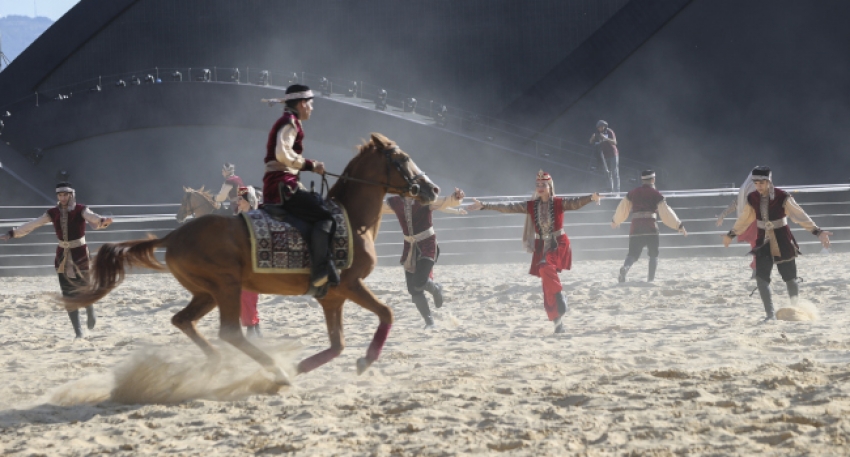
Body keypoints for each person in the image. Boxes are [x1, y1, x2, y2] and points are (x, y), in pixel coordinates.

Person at [468, 171, 600, 333]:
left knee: (545, 268)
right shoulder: (532, 206)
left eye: (543, 185)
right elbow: (509, 208)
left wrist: (591, 198)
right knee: (546, 285)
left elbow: (575, 203)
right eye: (537, 185)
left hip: (558, 244)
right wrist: (485, 206)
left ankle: (560, 295)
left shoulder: (558, 203)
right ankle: (558, 325)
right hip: (541, 245)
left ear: (550, 187)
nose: (540, 188)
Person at [0, 182, 113, 338]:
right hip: (62, 256)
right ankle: (78, 332)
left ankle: (90, 309)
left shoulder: (80, 209)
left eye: (65, 195)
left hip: (80, 254)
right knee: (67, 293)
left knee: (84, 287)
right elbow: (34, 224)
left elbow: (92, 217)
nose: (63, 197)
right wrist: (13, 233)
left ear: (71, 195)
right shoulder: (53, 213)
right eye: (60, 195)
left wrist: (102, 220)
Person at [723, 166, 832, 322]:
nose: (759, 186)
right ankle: (770, 315)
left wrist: (818, 232)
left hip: (782, 237)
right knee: (761, 278)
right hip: (762, 240)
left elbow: (799, 215)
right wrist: (731, 234)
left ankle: (795, 310)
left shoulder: (782, 196)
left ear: (769, 181)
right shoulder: (752, 197)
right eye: (756, 183)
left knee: (790, 278)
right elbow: (745, 219)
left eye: (762, 182)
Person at [261, 84, 337, 297]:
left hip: (280, 183)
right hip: (282, 186)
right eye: (311, 104)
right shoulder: (290, 123)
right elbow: (282, 154)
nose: (312, 109)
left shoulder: (288, 122)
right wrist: (311, 165)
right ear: (303, 104)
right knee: (326, 217)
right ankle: (320, 271)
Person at [382, 188, 466, 328]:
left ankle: (436, 289)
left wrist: (455, 197)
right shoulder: (395, 202)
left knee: (419, 281)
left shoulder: (424, 199)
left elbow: (443, 202)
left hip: (427, 244)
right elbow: (377, 207)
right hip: (409, 246)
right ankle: (430, 323)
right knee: (413, 289)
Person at [611, 170, 687, 283]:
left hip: (636, 227)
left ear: (642, 180)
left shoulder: (633, 193)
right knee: (653, 254)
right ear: (653, 180)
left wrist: (616, 220)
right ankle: (650, 280)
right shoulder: (656, 194)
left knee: (632, 253)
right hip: (651, 227)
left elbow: (623, 208)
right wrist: (678, 225)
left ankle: (626, 268)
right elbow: (666, 212)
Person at [716, 171, 759, 278]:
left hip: (754, 221)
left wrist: (723, 214)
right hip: (754, 222)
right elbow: (737, 203)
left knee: (759, 246)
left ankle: (757, 271)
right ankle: (757, 271)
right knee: (758, 246)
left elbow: (736, 203)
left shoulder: (748, 189)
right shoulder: (753, 190)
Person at [236, 186, 262, 337]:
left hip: (252, 262)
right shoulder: (239, 217)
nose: (238, 201)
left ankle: (252, 328)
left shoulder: (255, 217)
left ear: (248, 200)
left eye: (241, 199)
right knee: (245, 297)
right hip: (241, 262)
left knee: (247, 296)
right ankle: (255, 327)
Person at [589, 120, 619, 195]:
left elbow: (615, 142)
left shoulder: (609, 132)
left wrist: (605, 138)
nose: (599, 129)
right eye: (598, 128)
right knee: (607, 173)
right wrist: (592, 138)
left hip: (613, 154)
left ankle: (617, 191)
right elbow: (590, 142)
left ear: (604, 126)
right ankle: (610, 189)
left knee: (614, 172)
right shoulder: (598, 134)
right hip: (605, 156)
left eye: (600, 127)